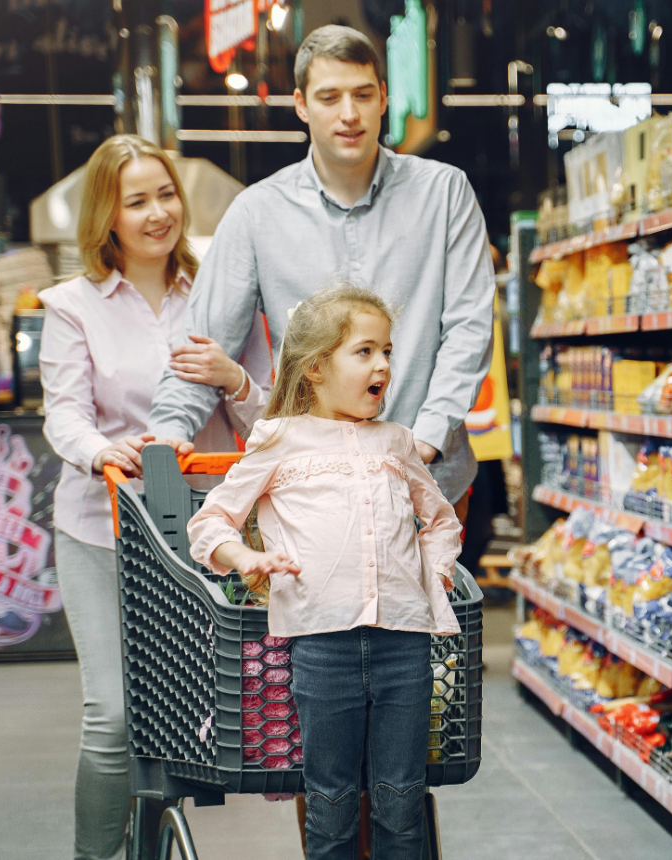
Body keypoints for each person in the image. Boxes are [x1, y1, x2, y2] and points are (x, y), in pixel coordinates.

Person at [144, 24, 495, 531]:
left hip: (432, 485)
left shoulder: (444, 194)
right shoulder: (256, 213)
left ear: (383, 100)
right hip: (311, 495)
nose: (348, 114)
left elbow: (469, 328)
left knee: (437, 610)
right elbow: (201, 347)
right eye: (329, 97)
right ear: (302, 105)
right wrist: (164, 437)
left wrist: (424, 441)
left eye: (362, 94)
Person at [39, 133, 272, 860]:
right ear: (106, 215)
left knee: (186, 715)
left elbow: (271, 423)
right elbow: (63, 412)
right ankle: (97, 854)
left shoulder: (220, 294)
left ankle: (161, 838)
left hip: (201, 538)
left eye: (166, 194)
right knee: (112, 715)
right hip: (99, 533)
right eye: (135, 200)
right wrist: (99, 449)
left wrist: (234, 379)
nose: (157, 212)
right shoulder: (73, 304)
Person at [187, 283, 462, 860]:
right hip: (321, 648)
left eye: (386, 350)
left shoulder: (398, 442)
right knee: (332, 806)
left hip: (405, 645)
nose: (383, 364)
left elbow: (439, 521)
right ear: (315, 368)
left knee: (401, 802)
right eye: (363, 352)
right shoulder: (279, 439)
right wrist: (246, 558)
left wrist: (434, 573)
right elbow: (211, 522)